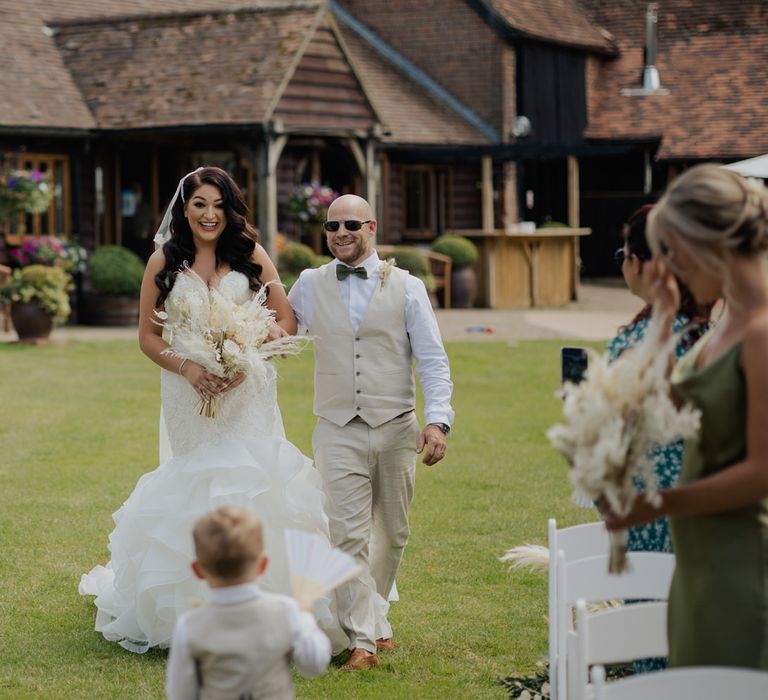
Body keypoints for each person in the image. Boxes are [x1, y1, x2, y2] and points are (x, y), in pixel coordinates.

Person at [79, 167, 344, 653]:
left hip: (247, 394)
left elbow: (284, 320)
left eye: (218, 205)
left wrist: (249, 356)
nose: (209, 214)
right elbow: (147, 336)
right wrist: (188, 369)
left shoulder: (251, 255)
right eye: (200, 204)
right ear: (185, 208)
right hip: (189, 396)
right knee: (199, 485)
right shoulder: (163, 260)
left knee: (253, 484)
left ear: (231, 208)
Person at [602, 164, 768, 669]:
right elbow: (676, 409)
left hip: (743, 564)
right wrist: (663, 318)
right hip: (699, 564)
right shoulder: (725, 320)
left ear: (710, 242)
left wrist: (660, 503)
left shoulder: (761, 331)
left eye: (672, 251)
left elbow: (763, 470)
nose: (668, 266)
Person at [288, 194, 454, 670]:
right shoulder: (309, 283)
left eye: (351, 224)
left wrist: (438, 419)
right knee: (347, 536)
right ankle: (361, 640)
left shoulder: (406, 286)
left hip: (397, 427)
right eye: (331, 225)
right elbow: (279, 329)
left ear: (372, 227)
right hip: (336, 427)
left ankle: (375, 617)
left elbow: (433, 358)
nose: (340, 233)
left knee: (394, 534)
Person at [607, 204, 712, 555]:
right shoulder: (709, 335)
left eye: (623, 254)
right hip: (704, 501)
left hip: (647, 502)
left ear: (635, 262)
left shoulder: (637, 341)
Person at [166, 506, 330, 700]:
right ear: (263, 565)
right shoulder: (286, 611)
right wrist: (305, 617)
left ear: (197, 570)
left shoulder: (189, 626)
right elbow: (314, 664)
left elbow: (181, 693)